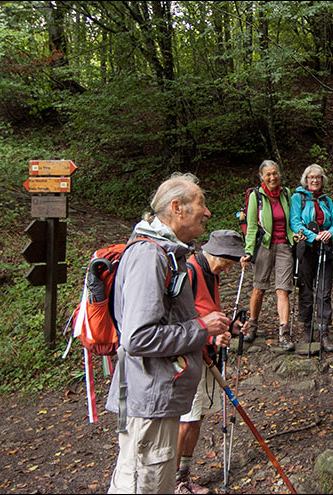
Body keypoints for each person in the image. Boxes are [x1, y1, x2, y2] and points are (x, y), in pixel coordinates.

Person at [106, 172, 231, 494]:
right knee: (141, 484)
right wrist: (201, 329)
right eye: (201, 204)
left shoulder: (167, 254)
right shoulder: (149, 257)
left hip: (160, 396)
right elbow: (137, 338)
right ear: (177, 208)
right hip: (149, 398)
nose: (207, 212)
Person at [175, 230, 245, 494]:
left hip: (203, 358)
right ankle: (173, 481)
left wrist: (230, 326)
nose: (228, 269)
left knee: (197, 418)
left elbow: (206, 312)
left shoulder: (209, 272)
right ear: (216, 253)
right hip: (189, 359)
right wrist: (210, 338)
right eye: (228, 262)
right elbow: (180, 321)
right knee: (188, 419)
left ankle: (182, 476)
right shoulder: (190, 272)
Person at [240, 160, 297, 351]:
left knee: (283, 289)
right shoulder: (257, 195)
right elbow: (252, 226)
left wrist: (294, 235)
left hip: (284, 246)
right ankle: (252, 325)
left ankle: (284, 332)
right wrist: (248, 251)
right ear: (262, 177)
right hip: (264, 245)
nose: (272, 177)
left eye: (275, 173)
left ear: (279, 173)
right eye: (268, 175)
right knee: (259, 288)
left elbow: (292, 221)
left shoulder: (286, 194)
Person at [289, 164, 333, 352]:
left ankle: (324, 330)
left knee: (324, 291)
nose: (314, 180)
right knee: (305, 288)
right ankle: (307, 327)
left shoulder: (326, 201)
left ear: (322, 179)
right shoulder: (298, 198)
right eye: (311, 177)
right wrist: (313, 236)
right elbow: (295, 222)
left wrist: (330, 233)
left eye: (318, 177)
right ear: (306, 179)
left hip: (325, 249)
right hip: (306, 249)